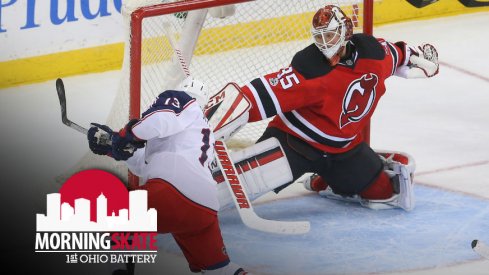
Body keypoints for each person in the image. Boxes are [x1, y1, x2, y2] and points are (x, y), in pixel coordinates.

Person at [225, 4, 439, 211]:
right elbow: (255, 97)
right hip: (295, 144)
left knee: (385, 192)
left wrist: (422, 60)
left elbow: (401, 54)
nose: (325, 43)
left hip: (343, 150)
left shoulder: (374, 54)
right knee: (226, 190)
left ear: (345, 33)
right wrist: (211, 122)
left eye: (329, 35)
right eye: (319, 37)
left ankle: (326, 180)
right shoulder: (308, 68)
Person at [87, 76, 251, 275]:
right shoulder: (200, 133)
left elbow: (158, 120)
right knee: (220, 270)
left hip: (174, 193)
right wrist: (113, 148)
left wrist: (125, 135)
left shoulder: (181, 100)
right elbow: (149, 166)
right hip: (203, 211)